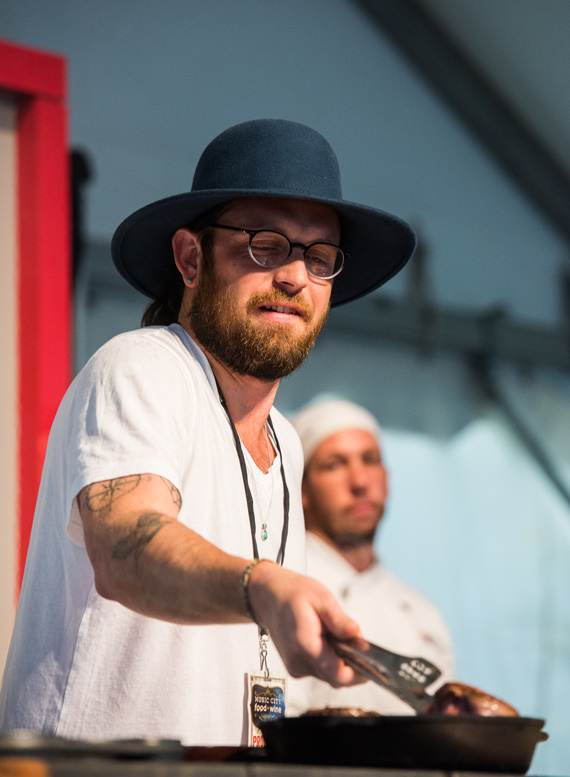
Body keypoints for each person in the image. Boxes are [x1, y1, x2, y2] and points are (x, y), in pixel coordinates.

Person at [0, 119, 416, 746]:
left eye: (319, 256)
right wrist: (262, 587)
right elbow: (123, 550)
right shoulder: (143, 365)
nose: (296, 277)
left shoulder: (287, 441)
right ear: (191, 258)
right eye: (265, 245)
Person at [287, 399, 455, 715]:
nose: (360, 482)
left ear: (387, 479)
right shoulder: (283, 589)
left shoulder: (423, 615)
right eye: (334, 464)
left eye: (370, 460)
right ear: (301, 490)